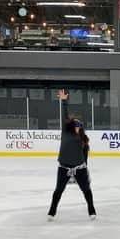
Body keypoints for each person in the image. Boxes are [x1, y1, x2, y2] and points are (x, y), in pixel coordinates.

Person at [47, 89, 97, 221]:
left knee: (86, 190)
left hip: (80, 168)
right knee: (58, 190)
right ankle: (52, 212)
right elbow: (64, 115)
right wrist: (64, 101)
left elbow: (85, 158)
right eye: (75, 125)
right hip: (63, 168)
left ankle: (92, 211)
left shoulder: (83, 140)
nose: (77, 127)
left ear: (81, 127)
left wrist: (86, 170)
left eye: (78, 126)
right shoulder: (65, 133)